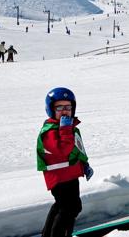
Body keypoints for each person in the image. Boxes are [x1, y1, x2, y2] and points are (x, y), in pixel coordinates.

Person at [37, 87, 93, 237]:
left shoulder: (69, 128)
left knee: (63, 206)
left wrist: (84, 165)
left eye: (68, 107)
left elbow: (76, 151)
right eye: (59, 107)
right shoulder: (49, 131)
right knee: (71, 208)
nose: (64, 111)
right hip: (59, 178)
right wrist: (65, 129)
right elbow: (64, 150)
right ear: (51, 110)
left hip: (71, 175)